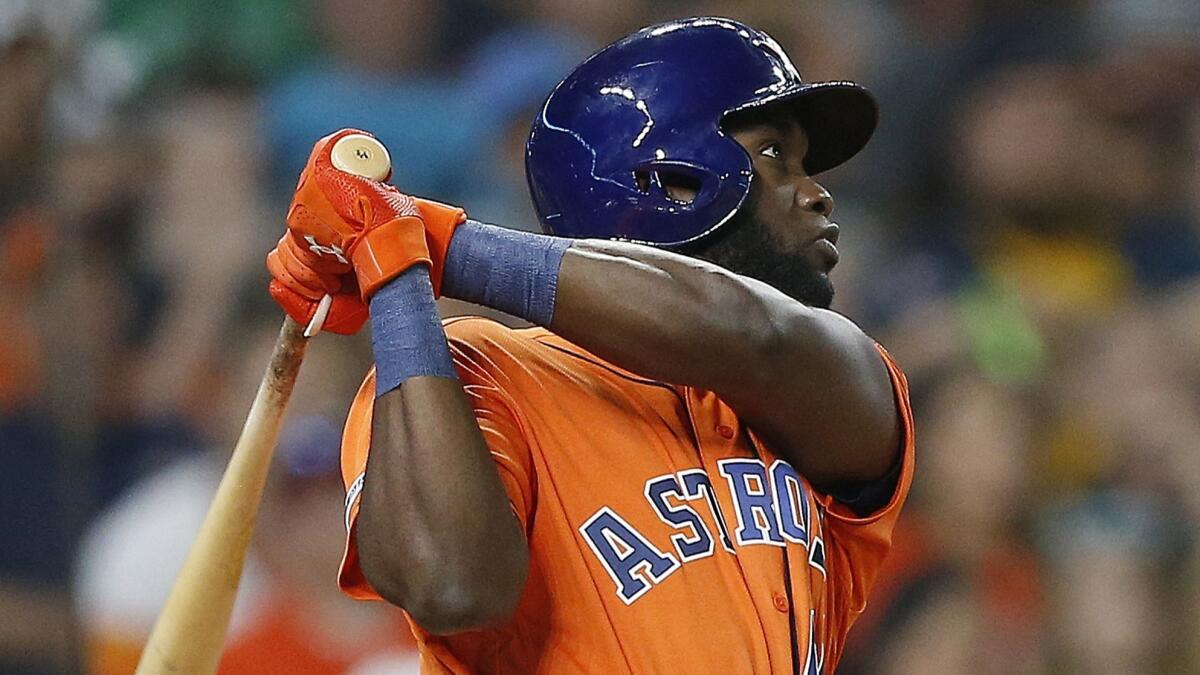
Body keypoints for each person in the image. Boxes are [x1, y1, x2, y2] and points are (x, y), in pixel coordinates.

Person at [266, 17, 915, 674]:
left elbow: (753, 334)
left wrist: (425, 238)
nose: (816, 193)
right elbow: (450, 585)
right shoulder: (478, 370)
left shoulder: (831, 373)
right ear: (668, 183)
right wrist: (394, 269)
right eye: (776, 155)